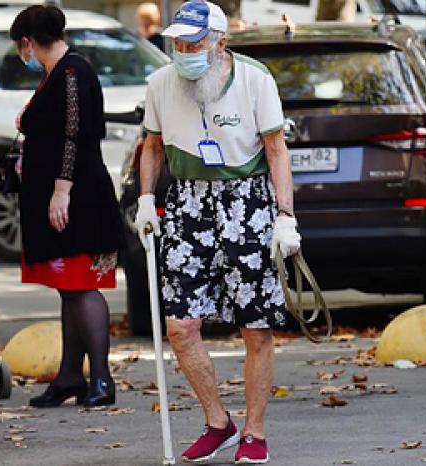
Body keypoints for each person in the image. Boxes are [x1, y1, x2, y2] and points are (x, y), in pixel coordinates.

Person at [134, 1, 301, 464]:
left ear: (220, 41)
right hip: (188, 202)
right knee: (180, 325)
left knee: (256, 325)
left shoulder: (254, 79)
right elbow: (151, 147)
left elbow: (276, 150)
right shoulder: (161, 83)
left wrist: (284, 215)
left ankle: (254, 431)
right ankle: (218, 422)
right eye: (178, 42)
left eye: (194, 42)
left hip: (246, 200)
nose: (184, 50)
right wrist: (147, 198)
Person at [9, 5, 124, 408]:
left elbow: (75, 134)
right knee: (69, 289)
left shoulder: (72, 73)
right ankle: (71, 377)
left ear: (27, 42)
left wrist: (62, 190)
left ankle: (103, 380)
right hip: (65, 196)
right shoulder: (56, 74)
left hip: (79, 199)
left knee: (81, 286)